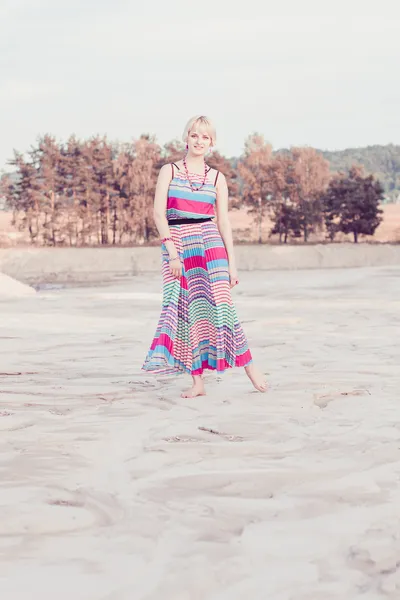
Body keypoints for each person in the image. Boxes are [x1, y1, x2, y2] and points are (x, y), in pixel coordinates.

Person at [142, 115, 267, 398]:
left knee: (223, 307)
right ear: (185, 137)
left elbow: (223, 222)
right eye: (195, 135)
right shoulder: (169, 171)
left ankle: (249, 367)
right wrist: (172, 253)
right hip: (179, 244)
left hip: (211, 243)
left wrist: (232, 265)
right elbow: (158, 214)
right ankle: (198, 382)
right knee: (187, 311)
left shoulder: (216, 178)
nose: (199, 141)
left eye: (205, 137)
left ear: (212, 143)